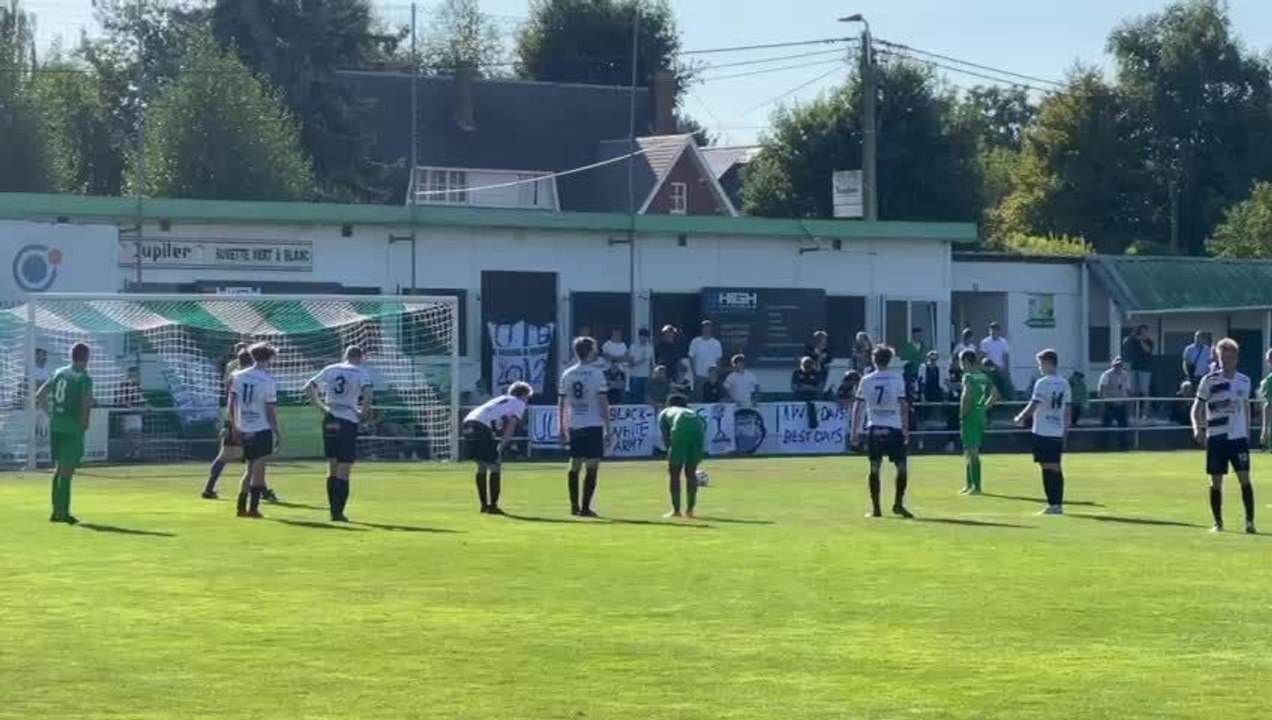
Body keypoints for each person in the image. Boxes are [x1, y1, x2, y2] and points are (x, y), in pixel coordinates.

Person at [1192, 338, 1256, 534]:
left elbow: (1245, 407)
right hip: (1216, 437)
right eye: (1222, 357)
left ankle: (1250, 522)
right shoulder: (1209, 380)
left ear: (1236, 358)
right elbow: (1197, 408)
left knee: (1244, 478)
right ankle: (1218, 522)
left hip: (1237, 438)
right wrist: (1197, 428)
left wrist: (1247, 432)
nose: (1226, 361)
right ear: (1217, 358)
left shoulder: (1244, 381)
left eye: (1229, 357)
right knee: (1216, 481)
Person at [304, 345, 374, 522]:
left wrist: (321, 408)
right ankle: (338, 512)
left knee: (332, 464)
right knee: (344, 466)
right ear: (361, 358)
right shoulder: (360, 372)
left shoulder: (331, 369)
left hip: (330, 418)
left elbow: (309, 386)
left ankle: (332, 510)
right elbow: (368, 393)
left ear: (345, 356)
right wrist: (362, 413)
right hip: (347, 419)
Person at [851, 346, 913, 518]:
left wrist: (854, 430)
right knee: (901, 467)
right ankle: (898, 504)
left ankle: (876, 508)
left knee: (874, 468)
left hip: (874, 427)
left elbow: (858, 407)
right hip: (894, 428)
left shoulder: (866, 380)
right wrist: (906, 429)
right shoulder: (896, 378)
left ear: (873, 359)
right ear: (890, 360)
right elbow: (903, 405)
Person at [35, 342, 93, 524]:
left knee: (59, 469)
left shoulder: (58, 372)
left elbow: (40, 395)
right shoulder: (84, 378)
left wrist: (50, 414)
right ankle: (64, 513)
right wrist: (84, 425)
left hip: (56, 425)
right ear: (86, 358)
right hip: (71, 427)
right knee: (67, 472)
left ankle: (55, 510)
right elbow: (85, 404)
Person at [462, 381, 533, 514]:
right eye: (527, 396)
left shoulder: (501, 399)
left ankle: (484, 505)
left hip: (468, 422)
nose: (527, 400)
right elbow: (511, 427)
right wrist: (502, 445)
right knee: (495, 465)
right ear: (523, 394)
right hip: (482, 425)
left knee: (481, 466)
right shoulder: (518, 403)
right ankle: (493, 506)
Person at [558, 336, 611, 517]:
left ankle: (574, 506)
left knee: (574, 465)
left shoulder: (567, 373)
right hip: (593, 424)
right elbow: (603, 402)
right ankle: (586, 507)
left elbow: (562, 403)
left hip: (575, 424)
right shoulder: (597, 374)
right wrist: (608, 428)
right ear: (589, 351)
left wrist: (561, 427)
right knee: (592, 465)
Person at [1014, 349, 1071, 515]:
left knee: (1047, 467)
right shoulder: (1064, 383)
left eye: (1040, 363)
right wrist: (1065, 431)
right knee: (1056, 467)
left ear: (1047, 362)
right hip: (1057, 430)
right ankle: (1057, 503)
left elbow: (1033, 405)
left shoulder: (1043, 383)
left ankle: (1054, 504)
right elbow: (1067, 410)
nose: (1039, 367)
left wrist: (1020, 417)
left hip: (1043, 431)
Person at [228, 343, 280, 519]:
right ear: (268, 358)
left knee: (249, 468)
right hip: (261, 427)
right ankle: (253, 508)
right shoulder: (268, 380)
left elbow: (231, 403)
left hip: (244, 427)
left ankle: (240, 507)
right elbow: (270, 409)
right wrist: (276, 431)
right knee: (258, 470)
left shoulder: (237, 376)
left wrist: (234, 425)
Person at [658, 395, 707, 518]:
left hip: (680, 429)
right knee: (690, 473)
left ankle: (676, 511)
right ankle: (690, 511)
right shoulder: (692, 412)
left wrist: (671, 453)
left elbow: (666, 436)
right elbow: (703, 424)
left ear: (668, 404)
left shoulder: (665, 412)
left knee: (674, 473)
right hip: (697, 429)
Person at [958, 350, 997, 496]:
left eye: (961, 361)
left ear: (966, 361)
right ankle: (969, 484)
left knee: (972, 451)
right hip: (980, 415)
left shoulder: (968, 377)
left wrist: (963, 413)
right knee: (969, 450)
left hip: (970, 416)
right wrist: (984, 408)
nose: (960, 365)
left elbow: (966, 396)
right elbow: (995, 394)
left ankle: (976, 486)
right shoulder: (983, 376)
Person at [113, 365, 145, 462]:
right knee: (128, 435)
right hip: (128, 414)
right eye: (134, 374)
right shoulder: (124, 385)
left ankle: (136, 454)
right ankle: (127, 454)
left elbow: (141, 399)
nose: (136, 376)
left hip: (137, 413)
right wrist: (128, 405)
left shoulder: (139, 386)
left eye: (137, 374)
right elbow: (120, 398)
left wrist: (146, 406)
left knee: (137, 434)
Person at [1122, 325, 1154, 422]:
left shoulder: (1149, 341)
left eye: (1146, 331)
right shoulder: (1131, 340)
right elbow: (1125, 344)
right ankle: (1131, 415)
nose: (1144, 333)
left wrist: (1141, 340)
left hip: (1145, 369)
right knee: (1131, 392)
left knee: (1144, 392)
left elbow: (1147, 350)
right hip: (1132, 368)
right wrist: (1132, 337)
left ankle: (1144, 415)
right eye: (1142, 331)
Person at [1099, 357, 1131, 449]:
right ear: (1113, 365)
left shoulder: (1125, 375)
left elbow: (1128, 390)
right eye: (1116, 365)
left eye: (1120, 365)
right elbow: (1102, 389)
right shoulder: (1106, 374)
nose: (1118, 367)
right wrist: (1104, 402)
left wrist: (1129, 403)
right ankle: (1103, 446)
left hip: (1121, 404)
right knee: (1106, 426)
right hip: (1109, 404)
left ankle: (1123, 445)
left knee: (1123, 426)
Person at [687, 321, 723, 401]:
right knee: (699, 398)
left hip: (712, 376)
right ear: (702, 329)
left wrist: (717, 374)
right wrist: (694, 374)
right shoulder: (695, 342)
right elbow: (691, 357)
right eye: (705, 327)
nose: (707, 329)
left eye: (708, 327)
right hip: (699, 375)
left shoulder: (716, 343)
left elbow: (718, 359)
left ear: (711, 329)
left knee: (712, 398)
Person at [980, 322, 1012, 398]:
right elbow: (983, 355)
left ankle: (1005, 400)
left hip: (1000, 368)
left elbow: (1005, 355)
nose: (993, 331)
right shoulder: (985, 342)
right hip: (990, 368)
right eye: (992, 329)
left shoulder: (1003, 342)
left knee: (1003, 385)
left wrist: (1006, 368)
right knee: (991, 385)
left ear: (999, 331)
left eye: (995, 329)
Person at [627, 328, 653, 404]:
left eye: (645, 336)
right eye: (642, 336)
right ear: (639, 336)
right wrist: (633, 363)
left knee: (645, 397)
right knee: (635, 397)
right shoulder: (633, 346)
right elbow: (631, 360)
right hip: (634, 375)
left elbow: (649, 361)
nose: (643, 338)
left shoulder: (650, 347)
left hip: (646, 376)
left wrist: (651, 375)